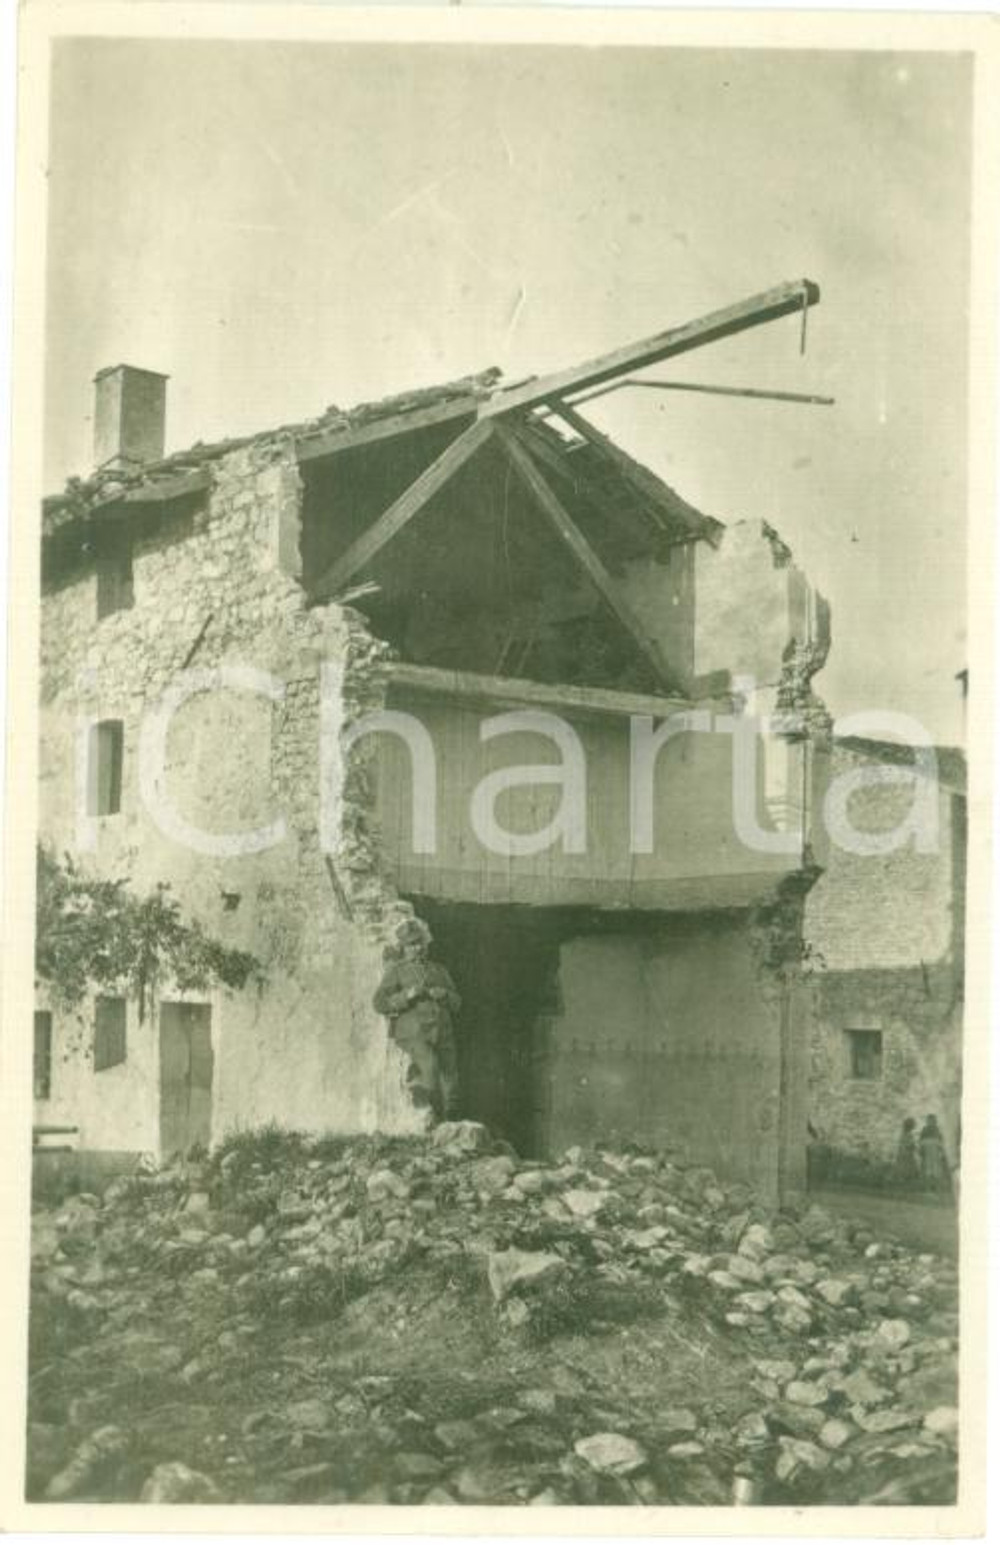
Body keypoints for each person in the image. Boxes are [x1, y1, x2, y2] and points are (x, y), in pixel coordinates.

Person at [373, 918, 460, 1123]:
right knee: (429, 1070)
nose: (418, 948)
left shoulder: (439, 970)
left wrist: (445, 995)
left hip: (442, 1031)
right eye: (412, 944)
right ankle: (429, 1121)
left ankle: (451, 1122)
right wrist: (407, 996)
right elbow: (379, 1003)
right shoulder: (397, 971)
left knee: (451, 1078)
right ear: (403, 947)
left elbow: (458, 1002)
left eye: (420, 942)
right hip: (414, 1033)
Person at [918, 1114, 950, 1194]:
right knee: (927, 1169)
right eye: (929, 1120)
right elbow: (921, 1141)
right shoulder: (924, 1130)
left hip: (935, 1151)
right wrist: (921, 1150)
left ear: (935, 1121)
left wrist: (941, 1150)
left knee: (935, 1169)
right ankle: (928, 1188)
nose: (931, 1122)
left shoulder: (937, 1130)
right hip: (927, 1150)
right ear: (927, 1121)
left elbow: (940, 1141)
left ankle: (935, 1187)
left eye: (932, 1121)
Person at [893, 1117, 920, 1189]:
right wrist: (911, 1146)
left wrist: (913, 1146)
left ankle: (906, 1180)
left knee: (907, 1165)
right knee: (904, 1165)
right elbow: (906, 1143)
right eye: (912, 1126)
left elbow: (910, 1143)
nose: (912, 1127)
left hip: (906, 1151)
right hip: (905, 1152)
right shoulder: (905, 1134)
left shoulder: (907, 1134)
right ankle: (902, 1180)